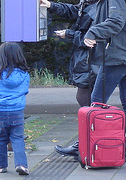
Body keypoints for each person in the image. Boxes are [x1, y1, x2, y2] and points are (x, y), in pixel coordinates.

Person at [40, 0, 98, 157]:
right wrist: (52, 6)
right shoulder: (88, 5)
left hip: (91, 61)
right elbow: (75, 10)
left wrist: (69, 34)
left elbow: (92, 39)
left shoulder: (99, 8)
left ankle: (85, 146)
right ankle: (85, 145)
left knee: (88, 104)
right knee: (89, 103)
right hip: (87, 61)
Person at [0, 42, 30, 175]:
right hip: (16, 111)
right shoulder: (24, 75)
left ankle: (0, 165)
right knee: (17, 138)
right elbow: (25, 90)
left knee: (0, 138)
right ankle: (22, 165)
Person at [84, 1, 126, 112]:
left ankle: (95, 129)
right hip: (120, 53)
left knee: (97, 102)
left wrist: (94, 32)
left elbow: (116, 21)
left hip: (116, 55)